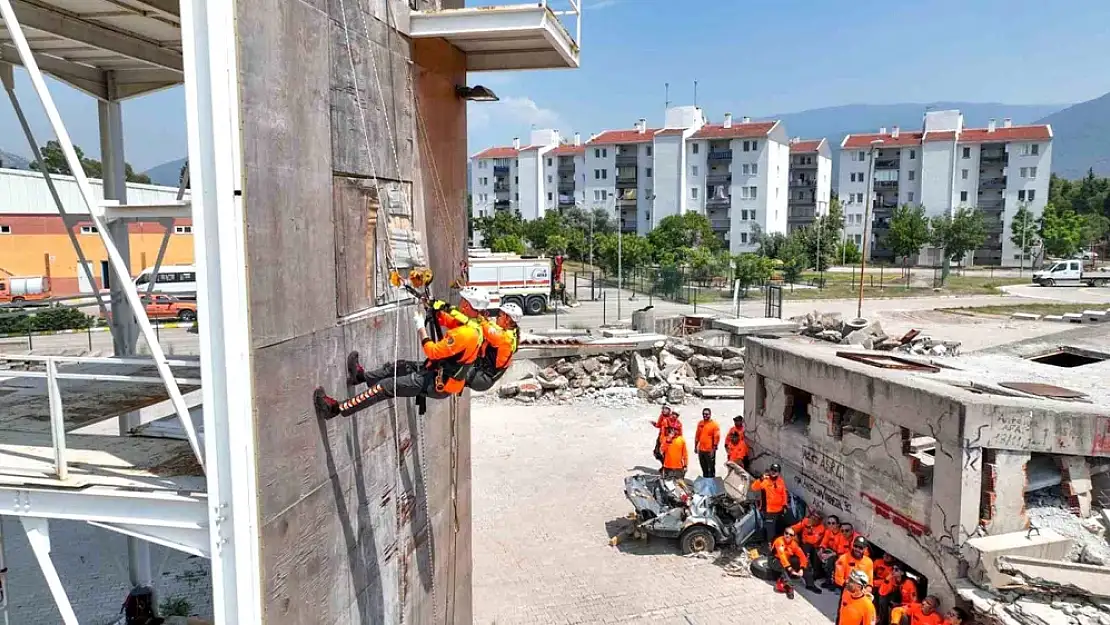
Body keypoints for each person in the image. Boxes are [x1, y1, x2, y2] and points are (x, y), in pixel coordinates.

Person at [314, 287, 486, 419]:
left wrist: (420, 328)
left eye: (464, 301)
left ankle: (335, 409)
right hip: (438, 373)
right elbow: (449, 320)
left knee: (385, 387)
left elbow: (432, 351)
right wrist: (432, 309)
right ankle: (360, 377)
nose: (461, 303)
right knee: (400, 366)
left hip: (438, 382)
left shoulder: (466, 334)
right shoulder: (474, 326)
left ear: (468, 305)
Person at [467, 302, 522, 392]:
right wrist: (486, 319)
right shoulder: (512, 333)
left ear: (507, 319)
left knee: (453, 365)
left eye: (499, 315)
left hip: (480, 377)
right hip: (484, 377)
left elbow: (487, 328)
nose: (496, 317)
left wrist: (479, 315)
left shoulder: (504, 338)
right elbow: (493, 328)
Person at [770, 527, 821, 598]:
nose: (788, 535)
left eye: (790, 535)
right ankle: (789, 588)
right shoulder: (779, 541)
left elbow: (803, 557)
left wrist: (801, 568)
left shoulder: (794, 544)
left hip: (787, 561)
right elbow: (782, 556)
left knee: (803, 562)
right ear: (784, 533)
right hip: (775, 559)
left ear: (793, 537)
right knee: (782, 565)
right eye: (786, 533)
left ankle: (810, 585)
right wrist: (790, 569)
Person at [751, 462, 788, 549]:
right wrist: (760, 479)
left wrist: (785, 505)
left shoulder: (780, 481)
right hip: (769, 510)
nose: (773, 472)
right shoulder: (765, 480)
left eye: (775, 471)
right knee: (770, 530)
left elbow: (784, 494)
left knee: (777, 528)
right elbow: (754, 487)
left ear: (778, 472)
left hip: (779, 510)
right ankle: (771, 547)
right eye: (772, 470)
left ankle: (775, 544)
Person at [694, 408, 721, 478]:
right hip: (701, 450)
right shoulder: (700, 423)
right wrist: (695, 447)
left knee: (711, 469)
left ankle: (712, 483)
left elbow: (717, 438)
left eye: (707, 414)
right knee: (704, 468)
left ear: (710, 414)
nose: (705, 415)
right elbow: (697, 436)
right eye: (703, 414)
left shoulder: (714, 425)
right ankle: (705, 481)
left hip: (709, 451)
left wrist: (713, 450)